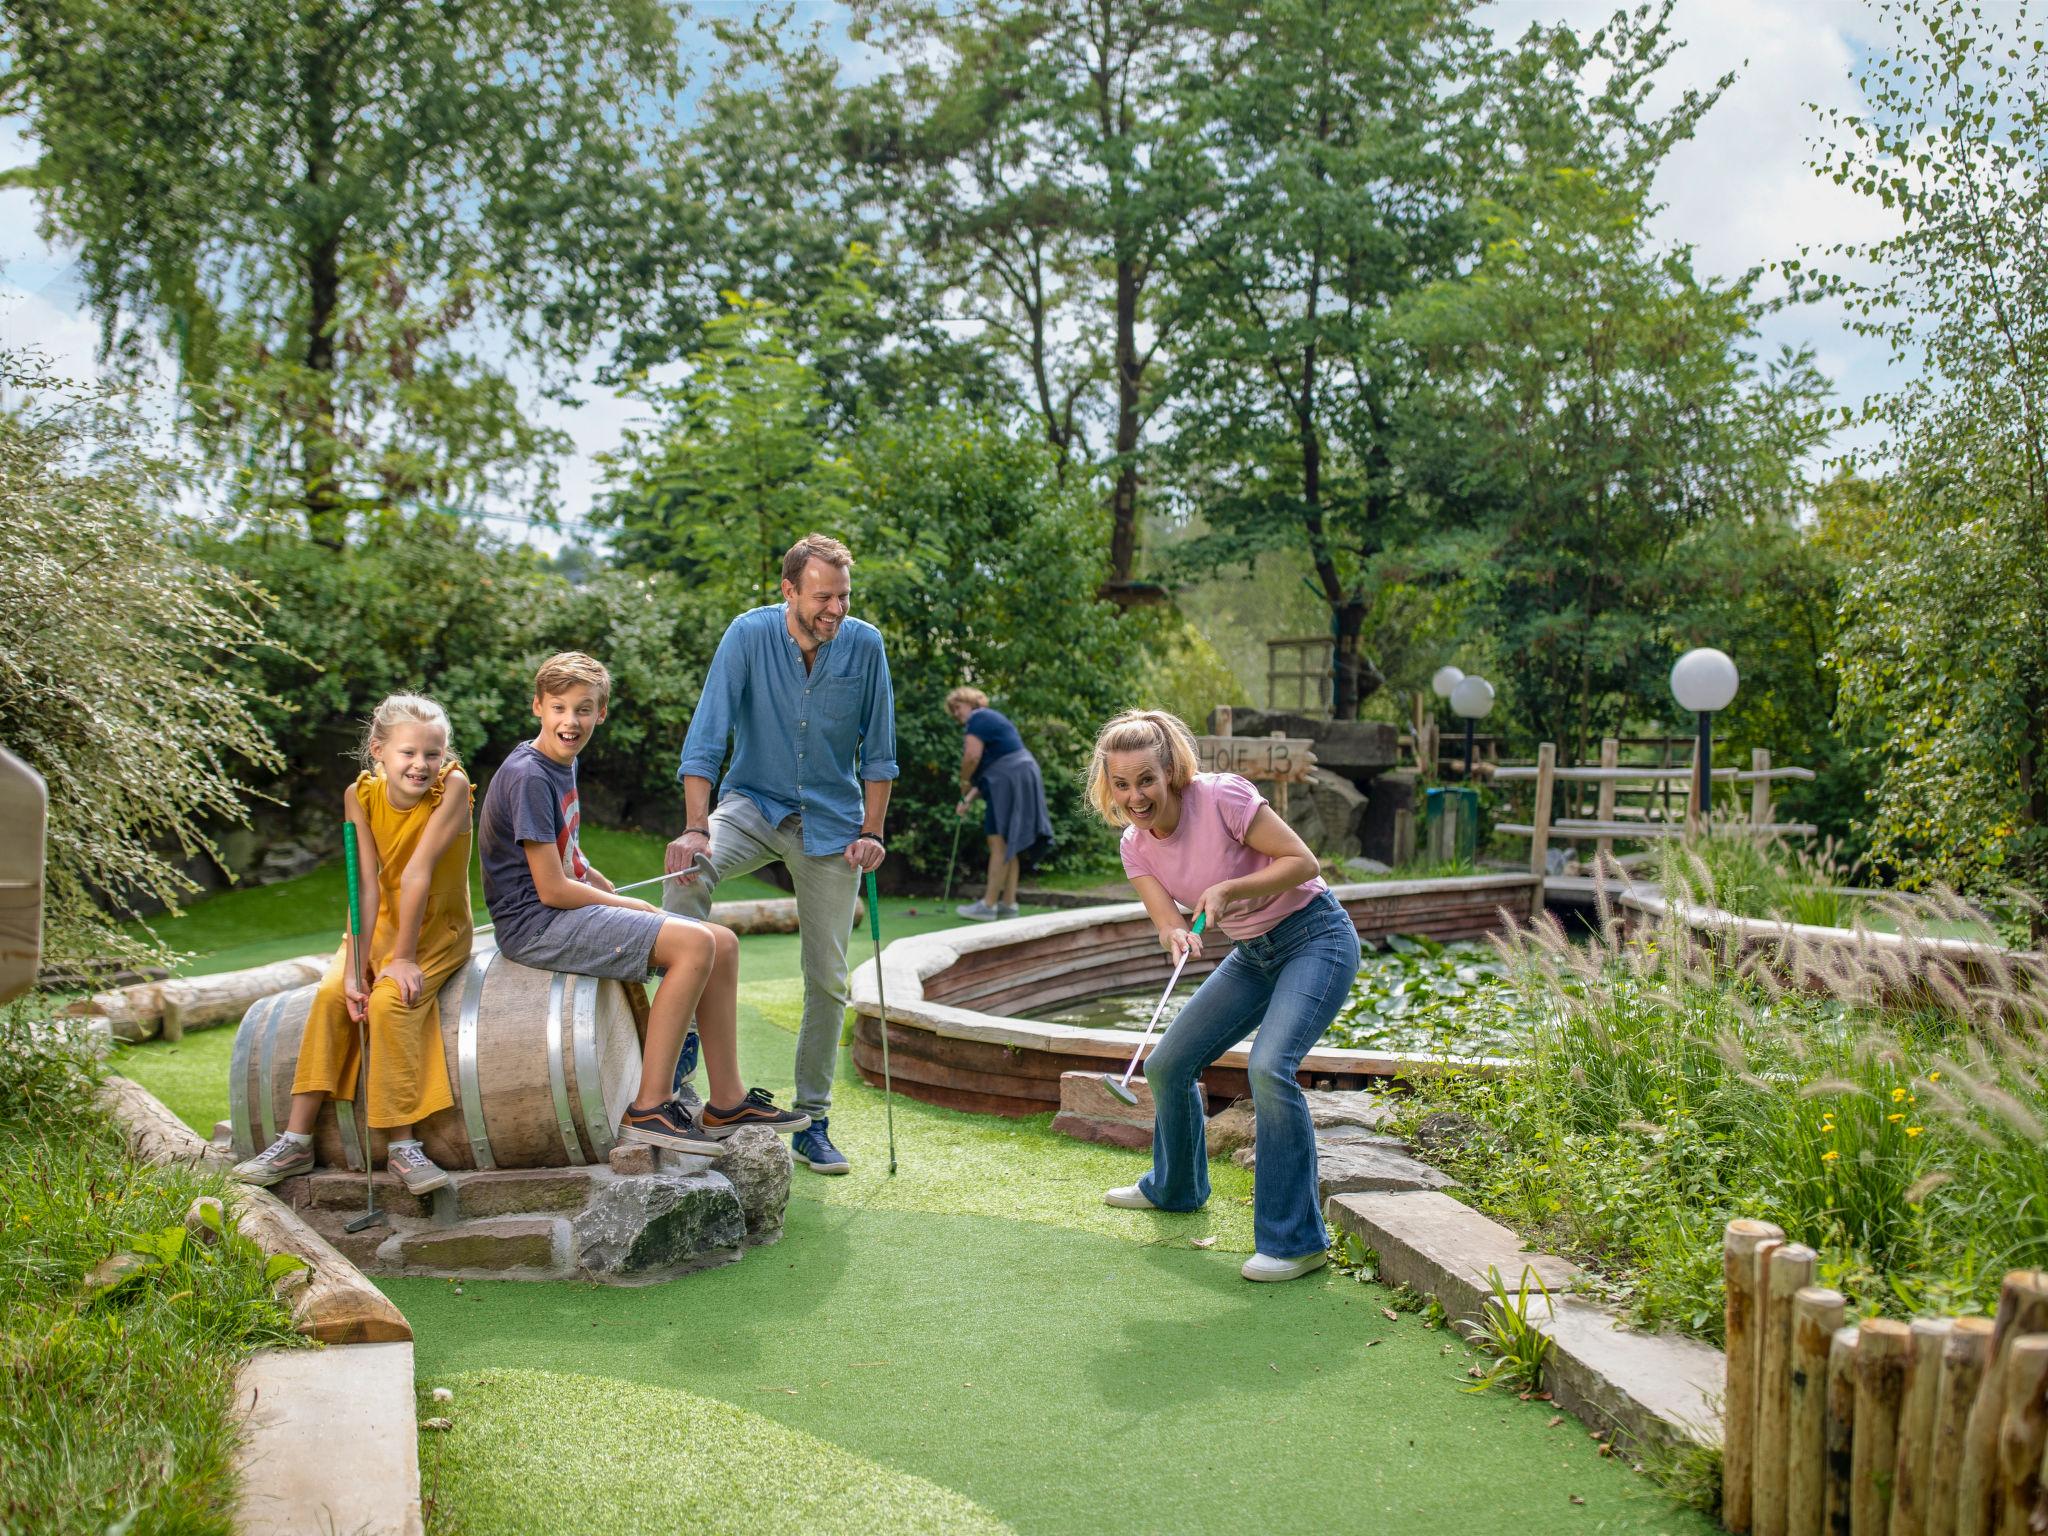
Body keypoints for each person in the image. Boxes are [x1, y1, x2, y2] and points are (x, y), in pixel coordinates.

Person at [479, 652, 809, 1153]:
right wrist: (644, 911)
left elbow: (560, 846)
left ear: (601, 712)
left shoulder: (558, 763)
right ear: (537, 707)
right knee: (694, 945)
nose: (572, 721)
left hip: (557, 910)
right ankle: (649, 1106)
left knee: (723, 941)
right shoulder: (529, 774)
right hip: (536, 925)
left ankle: (728, 1100)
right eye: (560, 708)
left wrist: (592, 873)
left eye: (584, 709)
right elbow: (550, 889)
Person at [1085, 708, 1360, 1282]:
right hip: (1253, 956)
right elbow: (1167, 921)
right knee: (1167, 1065)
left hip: (1316, 937)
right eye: (1122, 784)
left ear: (1171, 773)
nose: (1136, 796)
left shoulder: (1222, 798)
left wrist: (1231, 888)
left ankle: (1297, 1242)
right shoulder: (1136, 846)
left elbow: (1303, 862)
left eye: (1146, 781)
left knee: (1269, 1067)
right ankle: (1176, 1188)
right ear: (1107, 785)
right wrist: (1177, 934)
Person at [665, 534, 896, 1175]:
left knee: (828, 977)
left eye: (843, 596)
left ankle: (813, 1119)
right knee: (689, 874)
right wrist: (694, 828)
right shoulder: (747, 635)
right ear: (788, 590)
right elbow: (706, 734)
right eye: (823, 597)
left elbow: (878, 751)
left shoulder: (865, 645)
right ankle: (680, 1038)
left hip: (831, 823)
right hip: (752, 804)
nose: (836, 609)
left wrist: (872, 831)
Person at [233, 695, 474, 1194]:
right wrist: (352, 964)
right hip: (379, 924)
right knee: (328, 998)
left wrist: (402, 959)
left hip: (435, 931)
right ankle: (296, 1140)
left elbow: (417, 873)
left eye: (432, 754)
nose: (421, 765)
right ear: (378, 750)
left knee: (392, 1002)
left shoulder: (451, 789)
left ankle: (403, 1147)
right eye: (408, 753)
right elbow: (365, 885)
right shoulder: (358, 796)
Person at [946, 686, 1051, 921]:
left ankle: (988, 905)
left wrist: (963, 781)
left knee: (998, 841)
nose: (956, 713)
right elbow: (986, 773)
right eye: (953, 710)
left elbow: (972, 757)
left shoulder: (979, 717)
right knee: (1007, 839)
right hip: (1016, 775)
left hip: (1010, 777)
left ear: (971, 702)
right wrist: (967, 800)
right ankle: (1008, 904)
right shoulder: (989, 721)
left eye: (958, 706)